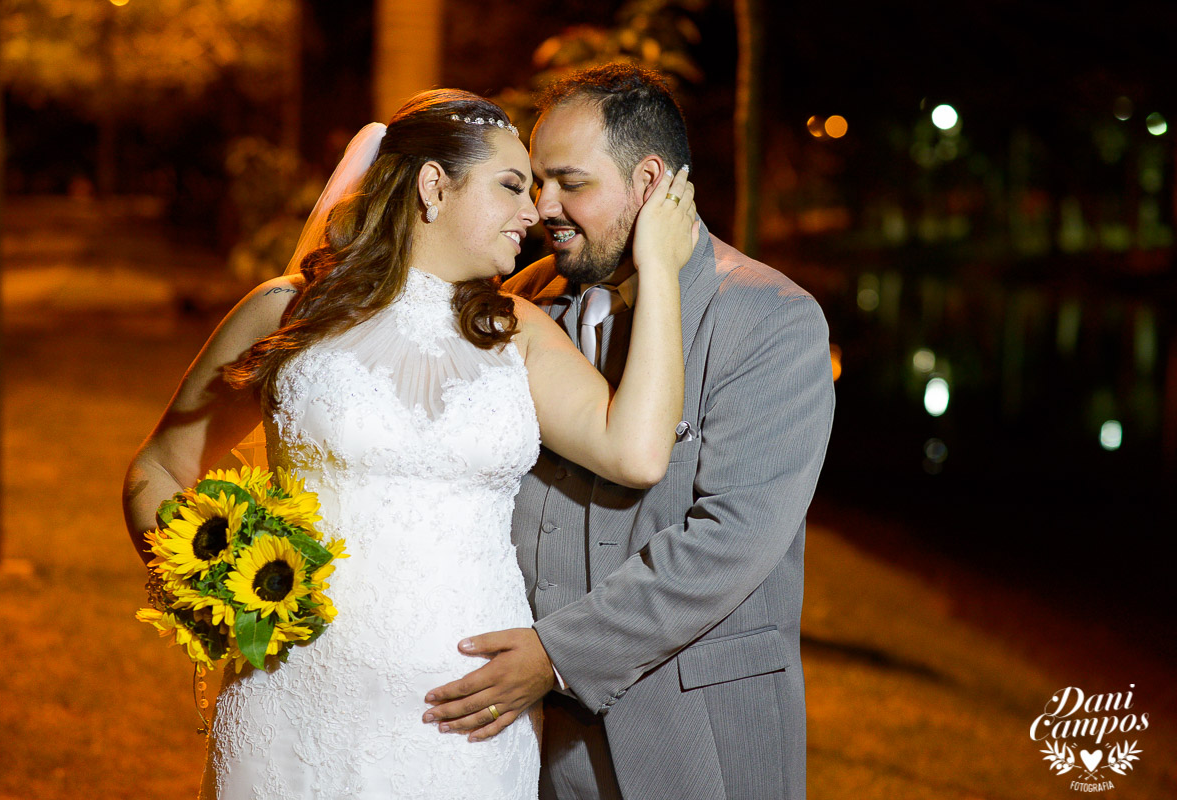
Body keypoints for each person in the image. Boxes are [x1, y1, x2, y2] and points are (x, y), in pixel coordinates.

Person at [121, 88, 698, 799]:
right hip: (292, 704)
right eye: (512, 187)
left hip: (466, 724)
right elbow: (160, 466)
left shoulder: (516, 331)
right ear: (433, 186)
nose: (534, 213)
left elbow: (636, 452)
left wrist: (662, 270)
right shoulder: (288, 313)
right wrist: (213, 588)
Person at [422, 66, 835, 800]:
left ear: (650, 183)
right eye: (535, 182)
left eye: (569, 183)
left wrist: (555, 657)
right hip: (530, 743)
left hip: (695, 737)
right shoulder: (520, 304)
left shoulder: (772, 320)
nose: (544, 207)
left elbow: (733, 537)